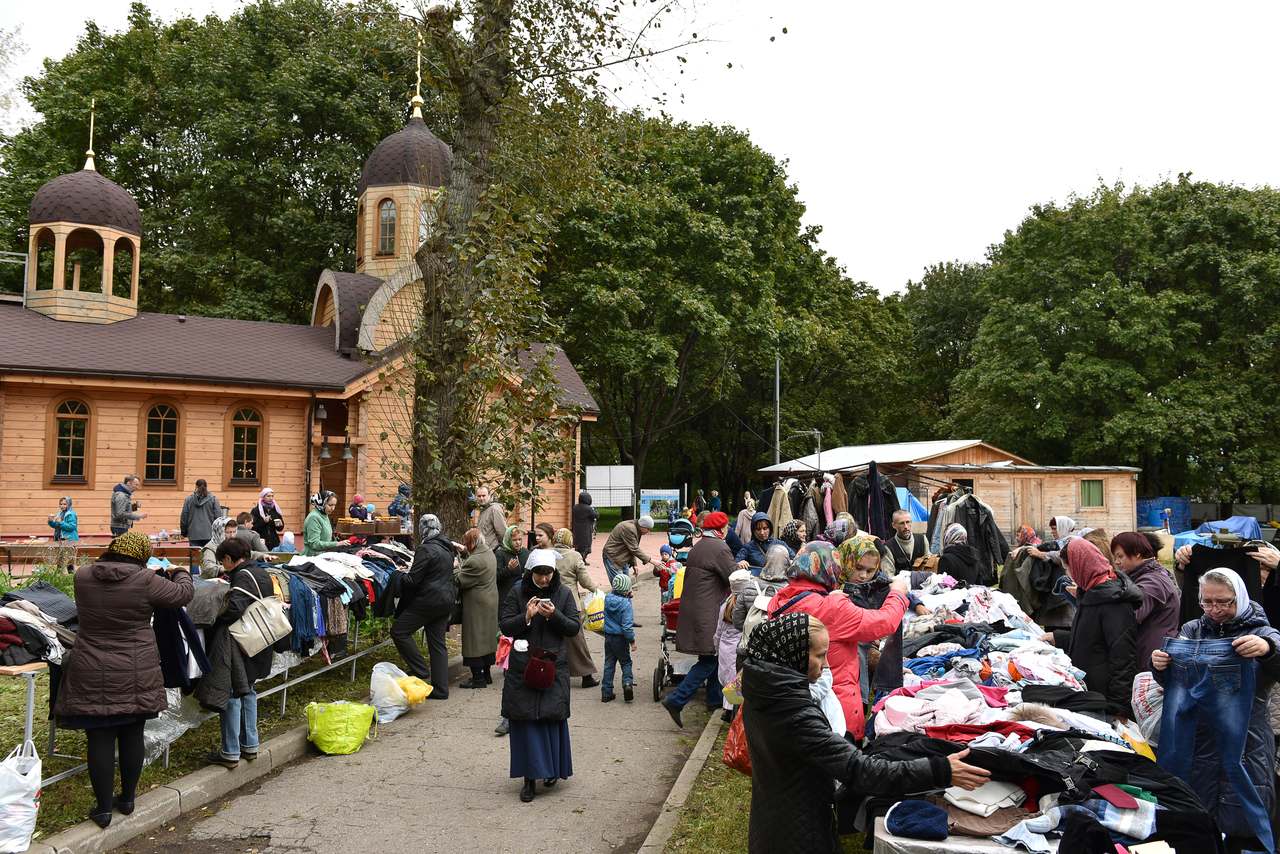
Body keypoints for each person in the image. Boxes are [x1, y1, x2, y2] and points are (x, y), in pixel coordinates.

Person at [742, 612, 989, 854]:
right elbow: (861, 771)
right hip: (799, 835)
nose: (826, 664)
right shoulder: (795, 714)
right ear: (794, 654)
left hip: (774, 820)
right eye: (819, 655)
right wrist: (939, 770)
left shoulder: (765, 689)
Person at [54, 531, 193, 828]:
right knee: (132, 732)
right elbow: (183, 594)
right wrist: (180, 571)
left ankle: (103, 810)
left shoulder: (82, 576)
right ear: (141, 556)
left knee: (99, 736)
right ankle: (128, 799)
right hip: (135, 669)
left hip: (90, 666)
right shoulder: (146, 581)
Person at [1152, 567, 1280, 853]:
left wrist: (1268, 649)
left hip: (1248, 741)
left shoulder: (1261, 632)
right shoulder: (1192, 630)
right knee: (1201, 819)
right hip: (1199, 741)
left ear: (1240, 598)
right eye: (1207, 602)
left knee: (1243, 822)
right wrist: (1160, 666)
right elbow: (1177, 684)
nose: (1215, 609)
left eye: (1223, 602)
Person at [767, 541, 910, 739]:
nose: (863, 575)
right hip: (836, 712)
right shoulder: (831, 607)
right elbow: (884, 622)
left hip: (796, 706)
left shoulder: (781, 600)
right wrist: (898, 594)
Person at [499, 558, 580, 802]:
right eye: (539, 574)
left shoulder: (563, 593)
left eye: (548, 574)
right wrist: (526, 616)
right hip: (523, 665)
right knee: (525, 720)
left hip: (553, 664)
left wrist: (554, 615)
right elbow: (505, 626)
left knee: (551, 718)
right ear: (531, 572)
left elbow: (573, 627)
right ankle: (529, 780)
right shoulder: (517, 592)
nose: (544, 579)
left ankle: (553, 769)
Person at [199, 538, 276, 769]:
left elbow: (234, 609)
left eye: (223, 561)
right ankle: (250, 745)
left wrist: (213, 616)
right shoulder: (261, 571)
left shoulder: (242, 576)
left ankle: (231, 751)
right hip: (260, 641)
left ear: (229, 558)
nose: (223, 566)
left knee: (232, 694)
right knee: (248, 690)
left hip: (242, 645)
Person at [1046, 537, 1140, 716]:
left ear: (1080, 565)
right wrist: (1057, 637)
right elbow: (1090, 637)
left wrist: (1118, 707)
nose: (1068, 574)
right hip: (1090, 690)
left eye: (1067, 568)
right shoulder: (1090, 592)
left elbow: (1123, 658)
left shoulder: (1113, 602)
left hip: (1105, 698)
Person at [663, 511, 735, 728]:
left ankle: (714, 701)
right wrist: (741, 568)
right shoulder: (720, 548)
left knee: (712, 656)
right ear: (721, 529)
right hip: (708, 612)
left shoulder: (700, 546)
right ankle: (676, 700)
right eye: (726, 527)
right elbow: (733, 578)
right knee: (710, 660)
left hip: (697, 609)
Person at [392, 514, 456, 699]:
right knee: (437, 644)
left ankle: (420, 670)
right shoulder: (447, 548)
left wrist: (398, 575)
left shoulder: (425, 549)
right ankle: (441, 689)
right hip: (445, 601)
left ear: (423, 529)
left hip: (428, 601)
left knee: (399, 631)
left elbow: (413, 580)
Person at [1110, 531, 1181, 669]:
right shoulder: (1147, 574)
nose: (1117, 562)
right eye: (1115, 557)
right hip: (1150, 652)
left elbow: (1129, 615)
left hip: (1154, 657)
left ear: (1137, 553)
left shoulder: (1152, 581)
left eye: (1120, 556)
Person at [553, 527, 600, 688]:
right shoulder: (574, 556)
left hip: (552, 602)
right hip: (571, 603)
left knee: (552, 639)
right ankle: (586, 675)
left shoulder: (549, 554)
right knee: (577, 641)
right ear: (569, 540)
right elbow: (584, 580)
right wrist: (596, 590)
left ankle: (550, 672)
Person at [456, 527, 499, 689]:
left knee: (474, 640)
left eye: (466, 543)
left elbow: (459, 580)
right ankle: (486, 675)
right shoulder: (489, 553)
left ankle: (478, 679)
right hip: (490, 601)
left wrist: (455, 566)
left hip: (476, 605)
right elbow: (475, 562)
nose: (465, 545)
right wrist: (464, 553)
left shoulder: (475, 561)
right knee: (487, 640)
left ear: (472, 543)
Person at [714, 568, 755, 720]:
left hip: (725, 647)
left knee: (728, 680)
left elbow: (719, 630)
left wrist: (717, 647)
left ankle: (727, 709)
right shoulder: (749, 605)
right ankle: (733, 713)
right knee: (737, 681)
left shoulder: (725, 606)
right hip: (739, 647)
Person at [601, 573, 636, 703]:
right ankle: (627, 684)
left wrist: (626, 594)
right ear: (627, 590)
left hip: (608, 637)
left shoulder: (607, 598)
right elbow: (627, 627)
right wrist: (632, 641)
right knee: (626, 662)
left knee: (609, 664)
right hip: (621, 639)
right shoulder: (626, 604)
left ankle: (606, 693)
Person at [602, 514, 656, 584]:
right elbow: (634, 549)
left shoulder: (637, 528)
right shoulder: (629, 528)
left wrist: (634, 564)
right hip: (612, 557)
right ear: (642, 526)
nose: (648, 531)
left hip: (622, 558)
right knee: (620, 585)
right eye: (648, 529)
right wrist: (651, 561)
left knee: (626, 584)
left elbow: (631, 547)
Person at [304, 491, 354, 556]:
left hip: (323, 554)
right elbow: (314, 544)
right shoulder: (314, 517)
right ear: (321, 503)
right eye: (330, 505)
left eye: (334, 505)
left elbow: (326, 539)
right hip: (312, 557)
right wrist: (337, 544)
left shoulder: (324, 515)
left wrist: (339, 541)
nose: (333, 508)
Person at [495, 523, 530, 610]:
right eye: (514, 540)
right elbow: (496, 577)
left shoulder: (526, 552)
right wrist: (508, 569)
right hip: (506, 596)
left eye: (520, 539)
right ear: (508, 540)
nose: (518, 542)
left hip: (522, 594)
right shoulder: (500, 553)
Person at [179, 479, 222, 548]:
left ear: (196, 486)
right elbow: (218, 517)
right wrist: (218, 533)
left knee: (195, 554)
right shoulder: (213, 499)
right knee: (208, 554)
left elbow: (184, 517)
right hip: (209, 534)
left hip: (193, 535)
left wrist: (183, 532)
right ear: (206, 487)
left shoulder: (188, 499)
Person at [886, 509, 929, 574]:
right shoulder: (888, 547)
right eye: (901, 523)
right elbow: (888, 575)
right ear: (894, 525)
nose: (906, 526)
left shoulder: (922, 539)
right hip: (898, 580)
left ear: (911, 522)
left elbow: (929, 564)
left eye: (908, 522)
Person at [475, 485, 508, 560]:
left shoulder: (494, 509)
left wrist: (502, 552)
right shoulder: (484, 510)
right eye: (479, 496)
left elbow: (502, 532)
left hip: (493, 552)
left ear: (489, 496)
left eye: (484, 495)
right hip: (484, 552)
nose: (481, 498)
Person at [571, 491, 598, 558]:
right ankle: (582, 559)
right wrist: (595, 511)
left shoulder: (575, 507)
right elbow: (595, 516)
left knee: (578, 547)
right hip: (586, 531)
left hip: (577, 530)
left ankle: (580, 559)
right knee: (586, 547)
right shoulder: (588, 509)